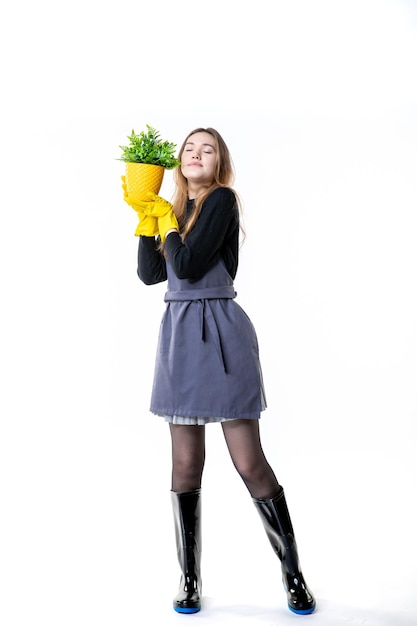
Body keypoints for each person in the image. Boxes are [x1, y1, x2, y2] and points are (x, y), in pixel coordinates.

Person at [122, 127, 316, 616]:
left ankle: (293, 575)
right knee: (185, 465)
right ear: (177, 161)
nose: (194, 154)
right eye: (188, 148)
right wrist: (151, 218)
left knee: (249, 461)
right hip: (180, 336)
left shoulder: (222, 201)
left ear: (219, 162)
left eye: (206, 149)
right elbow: (151, 274)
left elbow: (185, 267)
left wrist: (166, 219)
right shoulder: (175, 211)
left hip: (221, 332)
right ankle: (189, 579)